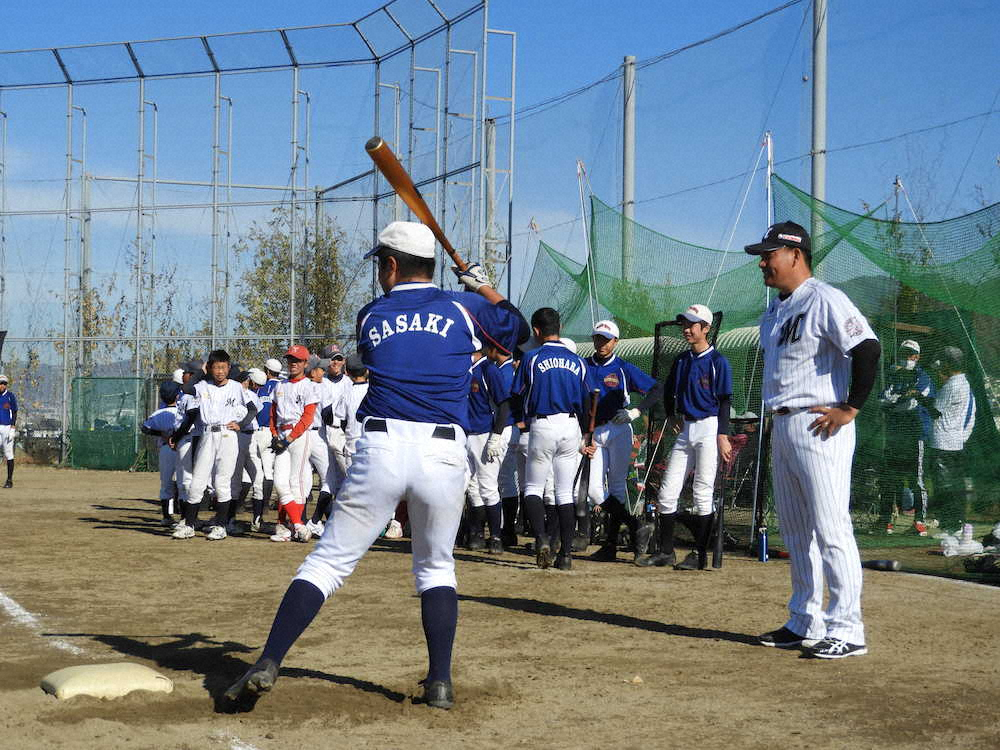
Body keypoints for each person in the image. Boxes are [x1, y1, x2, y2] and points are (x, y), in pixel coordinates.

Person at [224, 220, 527, 711]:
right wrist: (480, 284)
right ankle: (441, 682)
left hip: (382, 446)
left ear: (391, 265)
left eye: (381, 265)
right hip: (444, 450)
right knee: (435, 568)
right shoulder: (464, 306)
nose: (380, 274)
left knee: (327, 563)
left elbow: (390, 345)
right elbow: (518, 330)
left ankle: (269, 660)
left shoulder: (371, 314)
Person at [745, 220, 880, 659]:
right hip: (784, 423)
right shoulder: (775, 310)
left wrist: (850, 407)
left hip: (822, 423)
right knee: (797, 530)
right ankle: (805, 619)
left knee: (831, 527)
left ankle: (849, 627)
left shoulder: (825, 298)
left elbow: (867, 348)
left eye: (769, 254)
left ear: (796, 255)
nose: (763, 262)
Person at [634, 304, 732, 571]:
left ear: (706, 329)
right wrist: (671, 416)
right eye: (685, 325)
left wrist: (723, 435)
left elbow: (724, 401)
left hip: (710, 428)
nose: (687, 329)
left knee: (702, 492)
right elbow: (668, 391)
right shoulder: (681, 360)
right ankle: (666, 552)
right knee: (667, 492)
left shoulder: (717, 361)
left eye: (693, 324)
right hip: (686, 428)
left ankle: (699, 555)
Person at [511, 309, 590, 570]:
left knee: (534, 487)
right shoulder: (578, 361)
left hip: (542, 424)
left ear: (536, 331)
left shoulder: (532, 358)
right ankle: (565, 556)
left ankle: (542, 538)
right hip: (571, 425)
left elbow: (517, 395)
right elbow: (588, 400)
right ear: (561, 327)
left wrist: (520, 419)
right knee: (564, 493)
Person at [583, 320, 661, 562]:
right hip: (593, 433)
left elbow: (657, 389)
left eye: (607, 339)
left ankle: (610, 546)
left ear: (616, 342)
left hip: (618, 430)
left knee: (617, 487)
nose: (602, 343)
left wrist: (636, 412)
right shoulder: (584, 366)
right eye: (598, 338)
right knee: (594, 491)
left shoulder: (623, 368)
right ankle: (636, 524)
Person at [170, 350, 258, 540]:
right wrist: (202, 371)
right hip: (207, 434)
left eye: (223, 367)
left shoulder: (236, 387)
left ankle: (221, 525)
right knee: (197, 481)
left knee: (222, 482)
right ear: (210, 368)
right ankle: (190, 525)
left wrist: (241, 424)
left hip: (227, 435)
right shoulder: (203, 385)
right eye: (216, 367)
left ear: (228, 368)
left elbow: (252, 408)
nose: (220, 371)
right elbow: (186, 389)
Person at [878, 339, 933, 533]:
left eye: (910, 354)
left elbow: (914, 402)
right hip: (895, 434)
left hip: (915, 433)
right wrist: (902, 397)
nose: (906, 358)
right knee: (890, 478)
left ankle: (919, 523)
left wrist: (897, 402)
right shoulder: (894, 376)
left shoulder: (923, 376)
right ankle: (886, 521)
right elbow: (883, 400)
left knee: (916, 479)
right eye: (903, 354)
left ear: (917, 357)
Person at [269, 345, 320, 544]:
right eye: (290, 359)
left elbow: (308, 417)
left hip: (299, 435)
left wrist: (289, 439)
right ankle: (298, 525)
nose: (293, 363)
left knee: (295, 482)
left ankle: (288, 528)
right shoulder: (280, 385)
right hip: (282, 432)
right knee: (280, 482)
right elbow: (273, 414)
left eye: (297, 360)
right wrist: (274, 434)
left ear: (305, 363)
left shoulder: (309, 385)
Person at [924, 346, 976, 529]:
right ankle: (956, 520)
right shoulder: (965, 383)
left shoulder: (952, 384)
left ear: (948, 364)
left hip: (942, 442)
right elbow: (972, 413)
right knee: (954, 484)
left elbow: (936, 410)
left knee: (943, 485)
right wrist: (963, 436)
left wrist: (919, 397)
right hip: (956, 443)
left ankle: (949, 523)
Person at [140, 381, 183, 525]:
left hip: (166, 449)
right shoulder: (181, 413)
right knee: (183, 483)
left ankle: (166, 516)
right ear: (178, 396)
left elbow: (145, 428)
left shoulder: (158, 413)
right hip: (183, 448)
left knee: (166, 483)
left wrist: (161, 433)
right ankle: (184, 518)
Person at [0, 375, 18, 488]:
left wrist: (13, 427)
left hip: (7, 428)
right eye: (0, 383)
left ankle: (9, 480)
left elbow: (14, 412)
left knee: (8, 453)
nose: (2, 385)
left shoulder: (10, 396)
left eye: (4, 383)